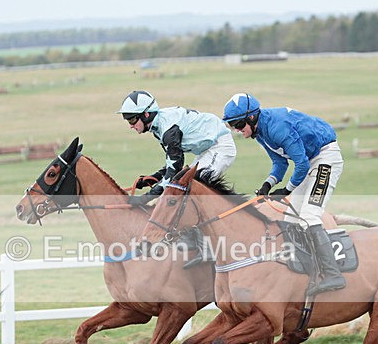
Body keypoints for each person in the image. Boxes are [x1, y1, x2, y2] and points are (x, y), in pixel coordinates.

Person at [222, 92, 346, 296]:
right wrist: (267, 184)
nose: (237, 130)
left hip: (325, 158)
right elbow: (279, 162)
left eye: (238, 124)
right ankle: (309, 267)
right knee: (290, 216)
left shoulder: (277, 127)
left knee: (309, 215)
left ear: (251, 117)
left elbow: (301, 164)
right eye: (232, 126)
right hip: (310, 161)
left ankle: (333, 274)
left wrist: (287, 189)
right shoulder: (259, 132)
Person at [118, 90, 237, 267]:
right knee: (182, 186)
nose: (130, 125)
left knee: (190, 189)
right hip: (207, 150)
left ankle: (208, 247)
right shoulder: (158, 127)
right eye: (128, 120)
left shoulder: (168, 130)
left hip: (220, 147)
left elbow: (174, 170)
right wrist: (154, 178)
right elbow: (172, 164)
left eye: (132, 120)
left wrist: (147, 197)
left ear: (147, 114)